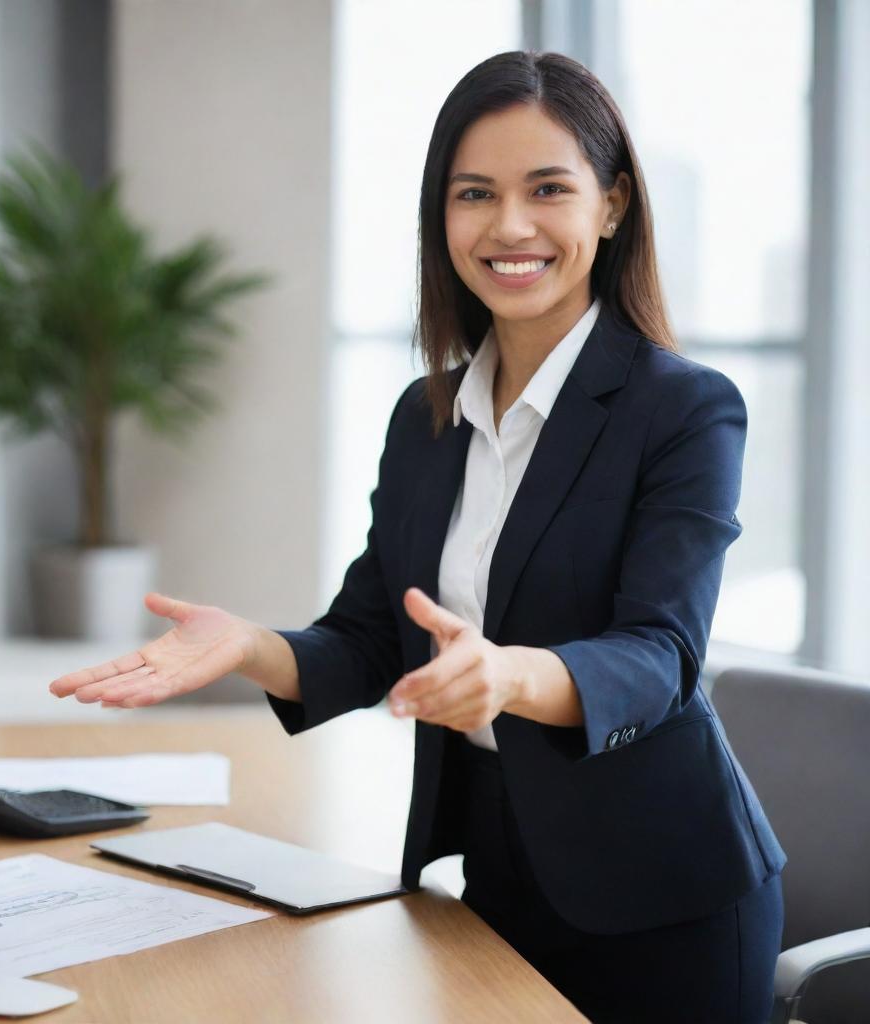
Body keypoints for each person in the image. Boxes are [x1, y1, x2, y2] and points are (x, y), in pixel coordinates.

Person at [49, 50, 786, 1024]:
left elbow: (661, 656)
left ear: (609, 207)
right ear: (440, 218)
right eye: (473, 193)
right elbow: (367, 636)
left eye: (547, 190)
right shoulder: (425, 415)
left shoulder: (682, 409)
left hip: (664, 897)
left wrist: (507, 675)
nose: (508, 226)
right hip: (491, 869)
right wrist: (248, 647)